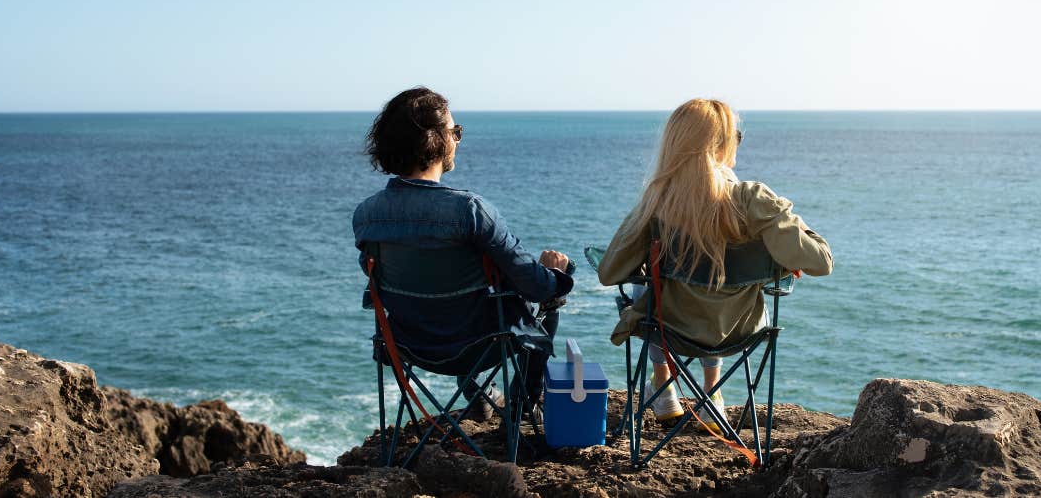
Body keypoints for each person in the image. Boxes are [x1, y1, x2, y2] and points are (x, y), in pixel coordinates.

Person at [597, 98, 832, 431]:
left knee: (647, 280)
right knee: (717, 293)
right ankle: (713, 394)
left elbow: (609, 273)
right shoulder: (753, 199)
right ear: (721, 144)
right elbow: (821, 261)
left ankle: (663, 382)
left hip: (671, 330)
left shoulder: (658, 202)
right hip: (739, 330)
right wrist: (788, 224)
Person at [353, 86, 573, 420]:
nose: (457, 139)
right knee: (548, 290)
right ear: (436, 141)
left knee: (464, 299)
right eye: (455, 132)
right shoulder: (470, 210)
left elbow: (377, 282)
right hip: (477, 346)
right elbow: (535, 286)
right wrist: (557, 272)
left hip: (408, 344)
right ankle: (521, 406)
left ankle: (480, 395)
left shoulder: (367, 215)